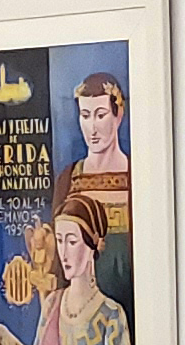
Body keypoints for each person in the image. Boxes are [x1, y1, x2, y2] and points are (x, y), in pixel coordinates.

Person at [0, 194, 134, 345]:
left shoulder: (110, 315)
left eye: (72, 241)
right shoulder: (52, 303)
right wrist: (7, 339)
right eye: (59, 241)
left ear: (93, 244)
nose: (63, 253)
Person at [50, 70, 133, 318]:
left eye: (101, 115)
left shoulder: (136, 176)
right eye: (85, 115)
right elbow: (59, 263)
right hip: (80, 314)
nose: (92, 128)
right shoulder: (68, 179)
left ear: (118, 115)